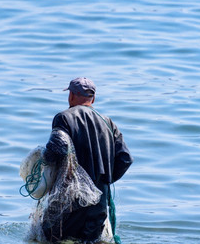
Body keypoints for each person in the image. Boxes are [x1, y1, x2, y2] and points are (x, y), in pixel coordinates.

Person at [41, 77, 133, 243]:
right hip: (99, 202)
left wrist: (44, 162)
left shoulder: (64, 118)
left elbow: (57, 148)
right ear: (93, 98)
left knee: (50, 237)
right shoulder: (108, 122)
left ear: (71, 96)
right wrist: (104, 181)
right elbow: (125, 158)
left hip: (70, 200)